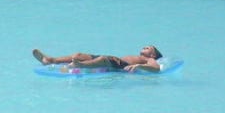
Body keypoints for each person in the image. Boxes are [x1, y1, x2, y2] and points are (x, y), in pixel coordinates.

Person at [32, 45, 164, 72]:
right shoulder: (137, 56)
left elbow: (156, 69)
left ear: (153, 55)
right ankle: (50, 60)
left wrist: (139, 66)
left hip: (120, 65)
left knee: (103, 59)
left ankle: (80, 65)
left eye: (148, 48)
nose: (144, 47)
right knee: (78, 54)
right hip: (116, 60)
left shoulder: (149, 60)